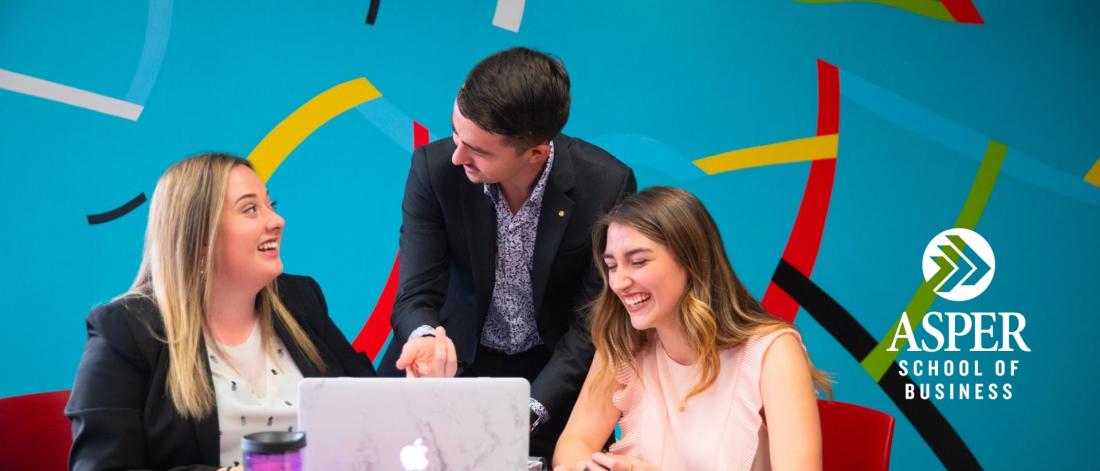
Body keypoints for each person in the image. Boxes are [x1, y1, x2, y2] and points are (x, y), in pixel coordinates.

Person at [66, 153, 457, 470]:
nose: (277, 221)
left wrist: (414, 386)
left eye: (271, 205)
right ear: (199, 236)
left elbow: (366, 411)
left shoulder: (300, 300)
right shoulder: (125, 330)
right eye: (251, 210)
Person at [377, 47, 636, 459]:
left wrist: (529, 409)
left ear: (536, 152)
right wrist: (425, 337)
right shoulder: (435, 169)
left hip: (552, 379)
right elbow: (415, 291)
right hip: (451, 365)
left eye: (478, 151)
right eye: (456, 134)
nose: (458, 155)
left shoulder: (605, 185)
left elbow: (592, 323)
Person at [553, 187, 832, 471]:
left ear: (691, 260)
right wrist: (586, 467)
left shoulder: (774, 352)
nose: (619, 282)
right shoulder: (622, 342)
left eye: (638, 262)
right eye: (612, 266)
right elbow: (575, 441)